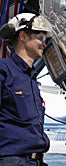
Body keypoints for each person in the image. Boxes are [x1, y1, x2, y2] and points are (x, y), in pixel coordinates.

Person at [0, 12, 52, 166]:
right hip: (12, 160)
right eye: (40, 37)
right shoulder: (4, 70)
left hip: (34, 161)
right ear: (23, 36)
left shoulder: (31, 81)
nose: (44, 43)